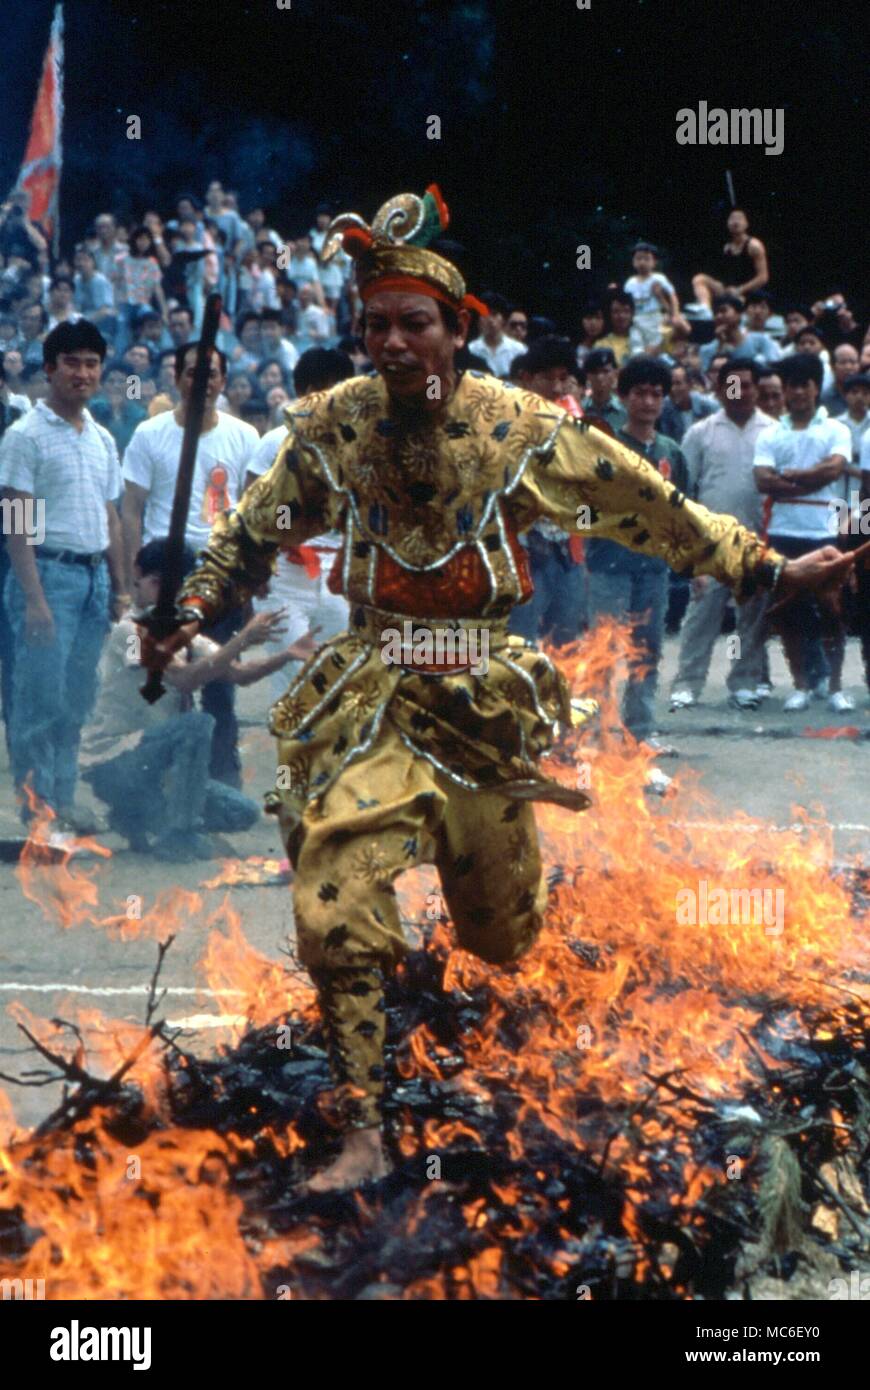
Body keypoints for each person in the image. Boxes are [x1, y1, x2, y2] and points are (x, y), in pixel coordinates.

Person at [140, 188, 851, 1193]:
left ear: (456, 331)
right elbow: (253, 529)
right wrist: (194, 604)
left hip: (480, 697)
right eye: (375, 324)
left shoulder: (520, 428)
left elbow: (647, 502)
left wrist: (766, 569)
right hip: (373, 690)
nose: (392, 342)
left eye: (413, 323)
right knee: (333, 899)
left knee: (503, 935)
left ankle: (527, 979)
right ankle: (364, 1131)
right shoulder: (332, 426)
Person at [82, 537, 315, 860]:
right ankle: (178, 833)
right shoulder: (130, 631)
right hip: (115, 760)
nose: (162, 592)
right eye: (155, 583)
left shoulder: (186, 634)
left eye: (171, 585)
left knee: (241, 812)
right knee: (196, 725)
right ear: (142, 581)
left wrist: (287, 655)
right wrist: (244, 638)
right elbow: (186, 679)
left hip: (157, 766)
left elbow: (238, 674)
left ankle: (137, 815)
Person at [0, 320, 125, 831]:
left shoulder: (101, 437)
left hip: (93, 577)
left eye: (92, 364)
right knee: (39, 698)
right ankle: (37, 808)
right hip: (48, 576)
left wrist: (121, 586)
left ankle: (66, 798)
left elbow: (112, 516)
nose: (83, 373)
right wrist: (33, 598)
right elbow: (16, 519)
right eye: (71, 363)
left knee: (76, 698)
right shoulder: (24, 435)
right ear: (49, 369)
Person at [121, 341, 260, 785]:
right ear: (178, 378)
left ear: (222, 381)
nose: (204, 382)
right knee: (162, 682)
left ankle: (221, 779)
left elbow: (253, 514)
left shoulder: (244, 436)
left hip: (221, 572)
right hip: (166, 570)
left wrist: (251, 579)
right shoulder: (150, 434)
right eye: (194, 373)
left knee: (219, 676)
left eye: (213, 373)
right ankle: (156, 780)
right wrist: (130, 581)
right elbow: (131, 510)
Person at [585, 356, 689, 751]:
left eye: (656, 394)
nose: (648, 402)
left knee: (647, 651)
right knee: (604, 650)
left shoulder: (671, 453)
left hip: (654, 569)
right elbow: (584, 508)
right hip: (609, 564)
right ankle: (594, 731)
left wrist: (690, 560)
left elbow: (686, 509)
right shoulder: (607, 448)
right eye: (640, 393)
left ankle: (639, 733)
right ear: (624, 397)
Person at [244, 347, 354, 697]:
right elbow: (253, 510)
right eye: (324, 391)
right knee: (292, 674)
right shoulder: (275, 443)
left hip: (337, 571)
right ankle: (291, 749)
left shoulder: (357, 446)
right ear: (305, 391)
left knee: (341, 673)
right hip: (285, 574)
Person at [669, 360, 775, 711]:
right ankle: (687, 683)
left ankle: (743, 681)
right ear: (719, 389)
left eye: (746, 385)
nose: (739, 392)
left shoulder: (773, 431)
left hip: (756, 542)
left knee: (749, 619)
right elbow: (683, 489)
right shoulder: (702, 433)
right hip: (711, 544)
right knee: (702, 617)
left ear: (757, 389)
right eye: (732, 385)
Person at [754, 353, 854, 712]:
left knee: (831, 609)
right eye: (790, 386)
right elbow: (762, 480)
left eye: (803, 385)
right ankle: (801, 685)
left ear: (816, 387)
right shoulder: (770, 433)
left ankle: (835, 685)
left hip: (823, 531)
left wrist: (790, 480)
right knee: (788, 610)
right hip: (782, 530)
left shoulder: (836, 430)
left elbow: (833, 469)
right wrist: (802, 481)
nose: (796, 392)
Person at [508, 336, 589, 646]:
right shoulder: (508, 416)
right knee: (521, 640)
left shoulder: (574, 416)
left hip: (567, 545)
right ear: (528, 378)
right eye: (548, 378)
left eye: (563, 378)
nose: (557, 388)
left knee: (567, 638)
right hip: (524, 545)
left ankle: (563, 694)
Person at [691, 208, 770, 311]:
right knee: (699, 279)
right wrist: (721, 285)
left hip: (747, 291)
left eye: (739, 219)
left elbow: (763, 277)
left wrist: (740, 290)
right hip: (728, 289)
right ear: (728, 224)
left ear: (746, 224)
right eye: (732, 219)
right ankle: (705, 309)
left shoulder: (754, 246)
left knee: (734, 304)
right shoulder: (727, 247)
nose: (735, 222)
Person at [623, 241, 687, 352]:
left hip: (654, 317)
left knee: (654, 344)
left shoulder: (658, 278)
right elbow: (625, 303)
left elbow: (672, 296)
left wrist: (675, 314)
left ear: (654, 262)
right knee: (636, 345)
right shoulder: (630, 283)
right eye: (639, 259)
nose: (642, 262)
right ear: (633, 262)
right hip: (636, 318)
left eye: (646, 259)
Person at [699, 294, 782, 372]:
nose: (719, 316)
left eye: (723, 311)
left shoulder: (761, 341)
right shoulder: (706, 349)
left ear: (739, 315)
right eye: (715, 313)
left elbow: (773, 369)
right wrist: (721, 346)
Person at [116, 227, 167, 352]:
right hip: (125, 303)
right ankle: (121, 352)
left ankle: (150, 351)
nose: (143, 242)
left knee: (151, 321)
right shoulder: (122, 259)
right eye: (140, 239)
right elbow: (115, 283)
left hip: (143, 304)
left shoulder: (151, 262)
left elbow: (157, 288)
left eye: (146, 239)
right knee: (121, 323)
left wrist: (164, 311)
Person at [467, 291, 525, 377]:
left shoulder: (518, 350)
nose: (490, 320)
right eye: (485, 314)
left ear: (503, 319)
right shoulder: (471, 349)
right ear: (478, 320)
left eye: (494, 314)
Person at [657, 363, 718, 443]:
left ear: (690, 385)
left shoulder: (709, 407)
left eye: (678, 383)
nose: (672, 389)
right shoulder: (664, 408)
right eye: (670, 384)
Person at [580, 347, 628, 432]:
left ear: (615, 373)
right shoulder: (580, 409)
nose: (599, 377)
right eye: (594, 372)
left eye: (605, 371)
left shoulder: (625, 412)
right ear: (587, 375)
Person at [597, 289, 642, 364]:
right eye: (616, 311)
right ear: (609, 314)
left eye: (626, 311)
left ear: (632, 314)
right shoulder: (601, 345)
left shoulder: (644, 338)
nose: (621, 316)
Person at [821, 343, 860, 417]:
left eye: (853, 362)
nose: (848, 367)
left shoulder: (867, 395)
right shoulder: (824, 398)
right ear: (832, 367)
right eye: (843, 362)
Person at [574, 300, 605, 370]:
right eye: (588, 318)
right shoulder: (573, 348)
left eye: (598, 318)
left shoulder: (609, 345)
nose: (593, 323)